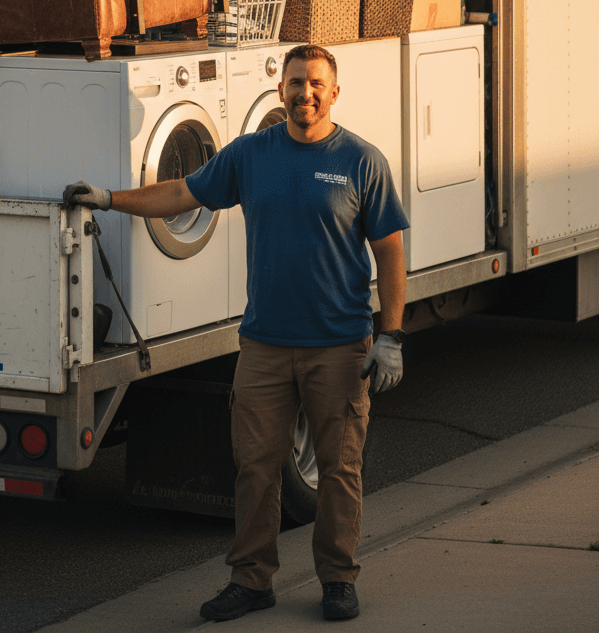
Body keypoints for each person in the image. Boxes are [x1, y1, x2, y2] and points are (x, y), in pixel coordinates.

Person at [80, 43, 408, 623]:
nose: (304, 93)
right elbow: (181, 193)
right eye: (295, 82)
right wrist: (108, 199)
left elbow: (390, 252)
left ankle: (337, 579)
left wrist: (392, 336)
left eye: (315, 84)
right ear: (281, 90)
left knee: (338, 469)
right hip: (264, 346)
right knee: (255, 468)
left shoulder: (362, 161)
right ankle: (252, 580)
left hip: (338, 347)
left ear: (334, 93)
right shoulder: (251, 155)